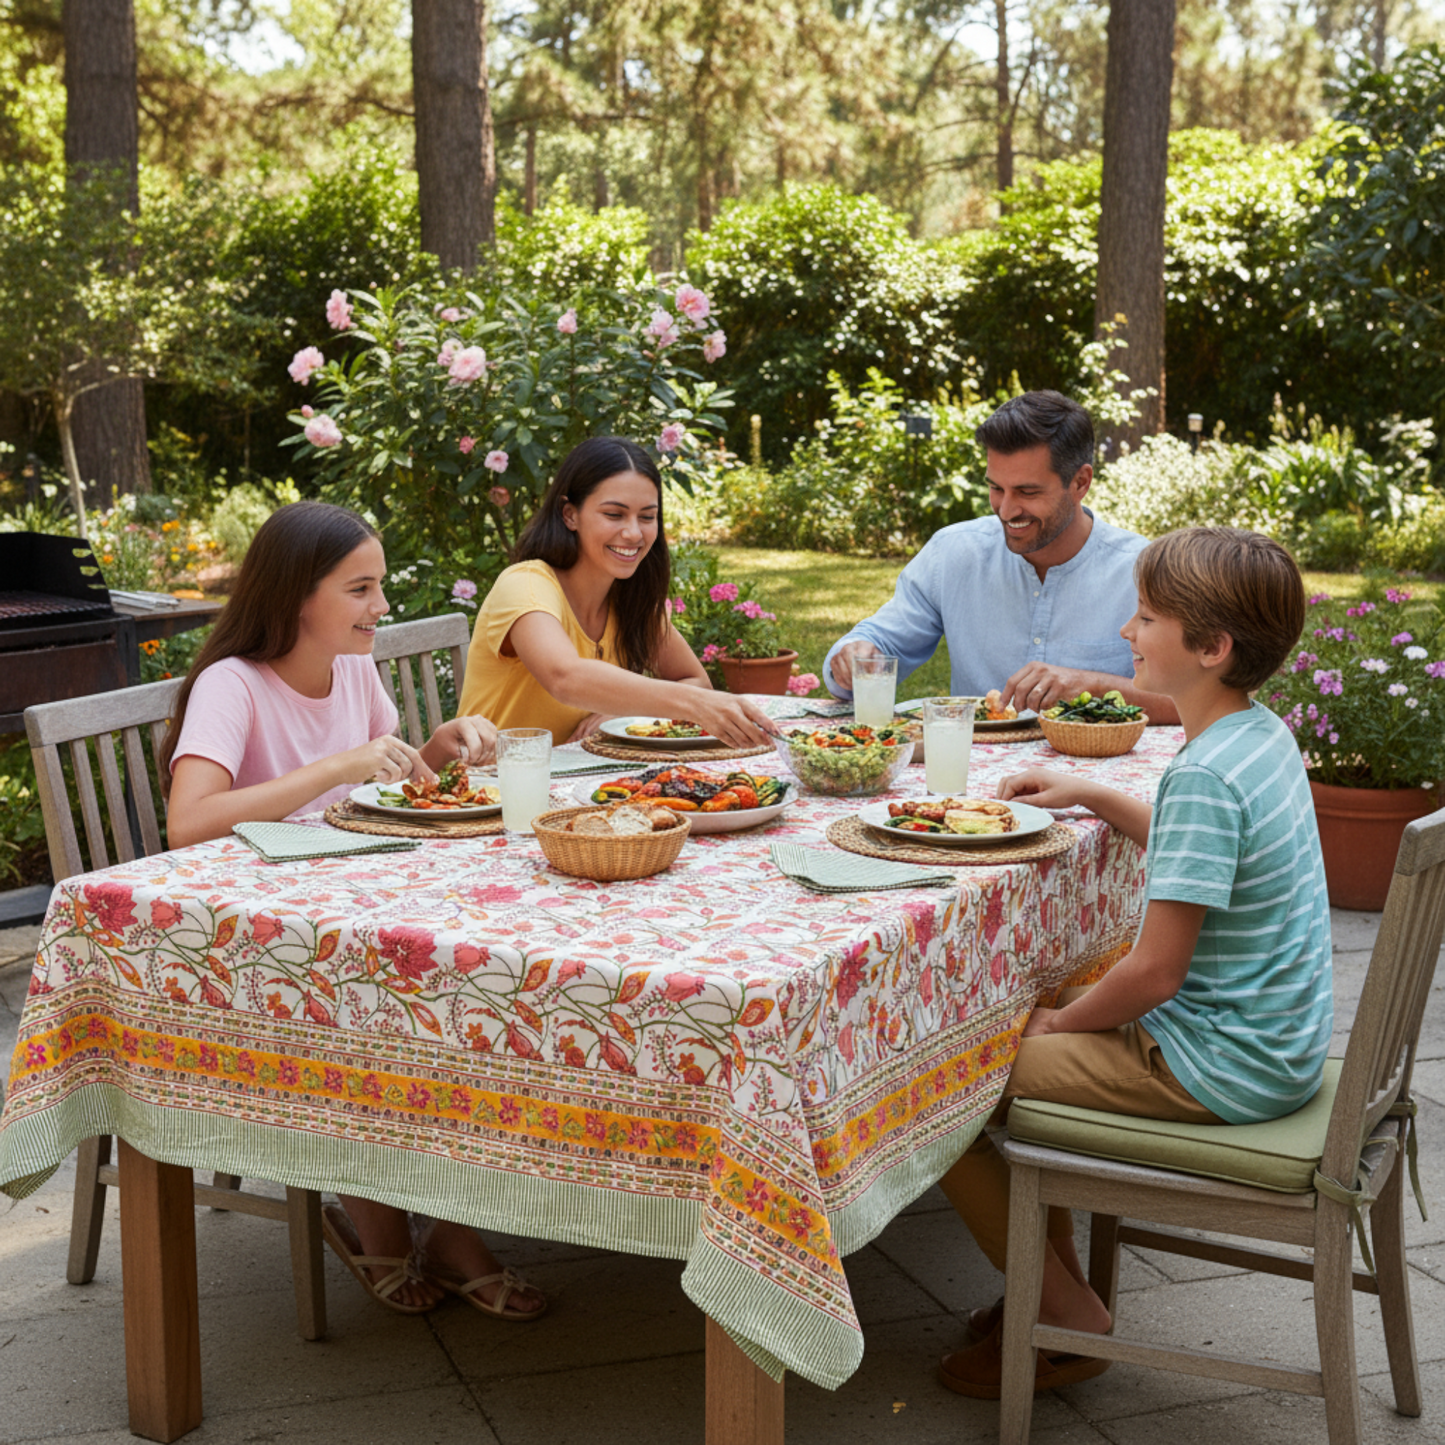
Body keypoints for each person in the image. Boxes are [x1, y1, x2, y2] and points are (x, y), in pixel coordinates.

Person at [934, 526, 1331, 1399]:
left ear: (1210, 647)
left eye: (1147, 617)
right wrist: (1096, 794)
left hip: (1216, 1064)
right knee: (1022, 1005)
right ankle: (1043, 1292)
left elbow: (1153, 974)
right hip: (1275, 1042)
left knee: (939, 1083)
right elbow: (1218, 852)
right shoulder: (1256, 736)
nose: (1126, 632)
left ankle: (1065, 1318)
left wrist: (1063, 1023)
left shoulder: (1203, 777)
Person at [161, 500, 545, 1321]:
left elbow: (389, 787)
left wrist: (442, 748)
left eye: (379, 586)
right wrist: (333, 765)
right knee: (405, 1001)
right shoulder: (235, 685)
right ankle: (385, 1217)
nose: (380, 607)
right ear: (300, 594)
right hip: (253, 947)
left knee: (472, 990)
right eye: (360, 588)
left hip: (349, 909)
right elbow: (189, 818)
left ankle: (446, 1222)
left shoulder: (352, 667)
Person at [824, 390, 1181, 726]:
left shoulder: (1143, 571)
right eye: (996, 488)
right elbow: (880, 645)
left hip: (1100, 783)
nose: (1006, 510)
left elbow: (1193, 699)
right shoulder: (954, 553)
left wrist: (1095, 688)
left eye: (1027, 491)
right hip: (966, 785)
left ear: (1080, 483)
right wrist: (854, 658)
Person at [457, 436, 777, 747]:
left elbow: (695, 681)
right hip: (483, 792)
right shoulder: (525, 585)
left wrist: (620, 710)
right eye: (614, 514)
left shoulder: (628, 600)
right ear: (570, 514)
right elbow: (565, 677)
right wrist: (692, 704)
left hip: (576, 785)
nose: (634, 533)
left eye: (647, 517)